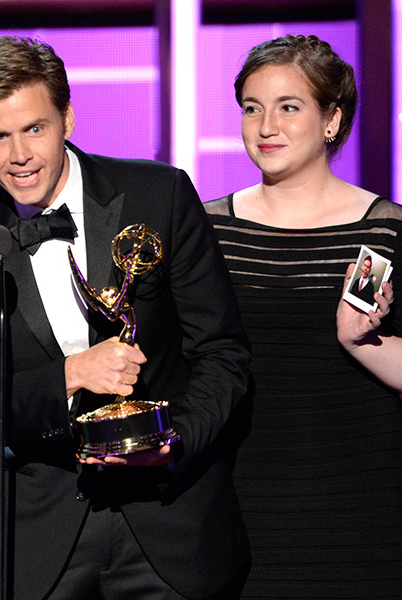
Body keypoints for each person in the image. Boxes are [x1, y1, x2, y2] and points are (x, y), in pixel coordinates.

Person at [0, 36, 251, 600]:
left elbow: (223, 355)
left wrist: (169, 447)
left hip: (171, 526)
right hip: (40, 539)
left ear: (68, 119)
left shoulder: (160, 194)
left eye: (35, 128)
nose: (19, 154)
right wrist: (71, 374)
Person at [205, 34, 402, 598]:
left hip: (359, 512)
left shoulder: (381, 232)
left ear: (332, 119)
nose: (266, 126)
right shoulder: (205, 230)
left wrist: (363, 341)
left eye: (289, 107)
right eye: (251, 108)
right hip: (232, 507)